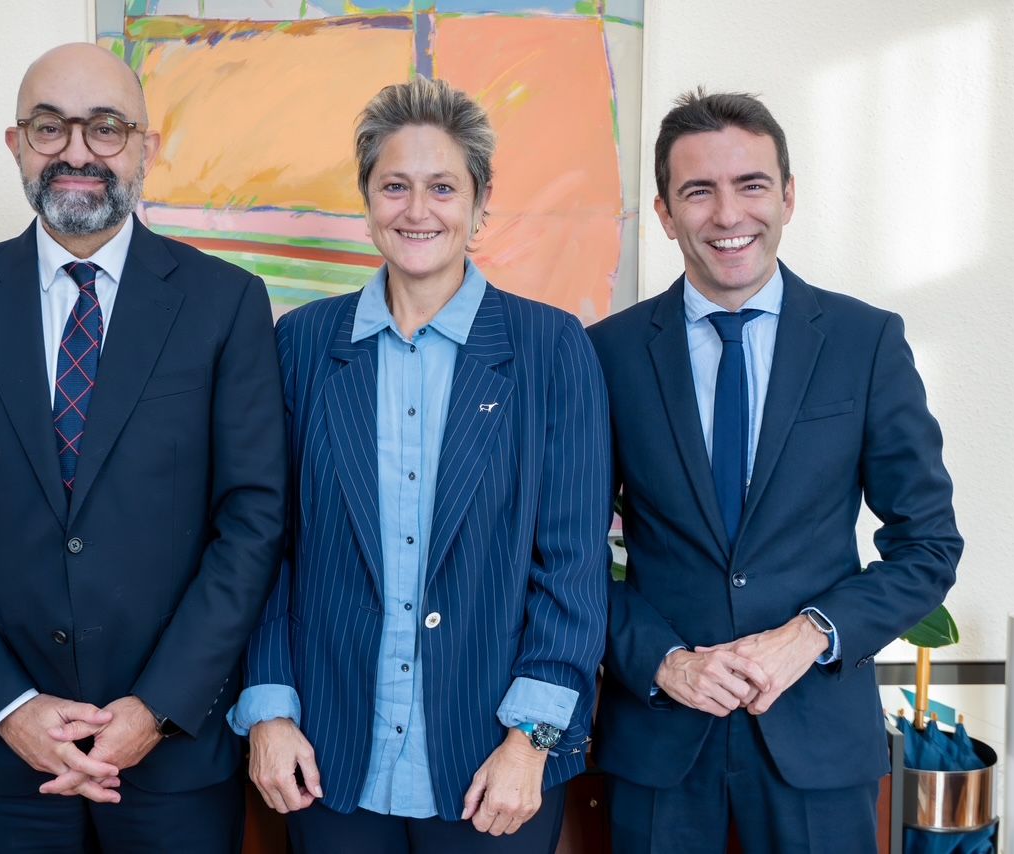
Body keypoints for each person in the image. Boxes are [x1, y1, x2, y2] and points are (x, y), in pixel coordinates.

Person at [0, 43, 286, 853]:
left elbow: (252, 523)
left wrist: (158, 707)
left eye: (105, 127)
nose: (77, 151)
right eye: (49, 127)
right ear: (15, 143)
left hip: (174, 756)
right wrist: (10, 708)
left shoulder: (226, 303)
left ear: (146, 147)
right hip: (3, 760)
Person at [226, 76, 611, 854]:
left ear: (480, 201)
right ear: (367, 200)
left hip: (494, 764)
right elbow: (266, 545)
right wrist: (268, 709)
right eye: (394, 185)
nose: (417, 209)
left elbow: (573, 565)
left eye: (443, 187)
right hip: (326, 759)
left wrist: (530, 741)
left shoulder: (552, 348)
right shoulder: (302, 344)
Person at [587, 89, 963, 853]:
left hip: (819, 742)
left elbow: (928, 545)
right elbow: (565, 553)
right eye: (699, 191)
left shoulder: (865, 342)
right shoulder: (607, 353)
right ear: (665, 213)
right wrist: (662, 661)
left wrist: (810, 635)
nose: (728, 214)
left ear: (788, 197)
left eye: (751, 185)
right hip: (661, 743)